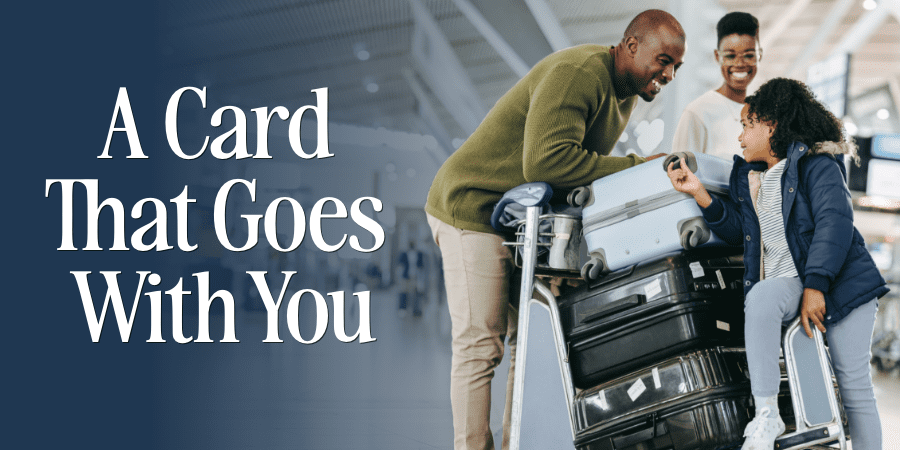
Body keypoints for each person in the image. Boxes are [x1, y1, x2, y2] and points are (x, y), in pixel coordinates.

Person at [425, 9, 685, 450]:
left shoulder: (623, 96)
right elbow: (547, 162)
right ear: (631, 44)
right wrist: (639, 167)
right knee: (481, 344)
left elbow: (573, 177)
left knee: (529, 344)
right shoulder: (580, 72)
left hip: (519, 220)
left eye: (676, 66)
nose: (669, 74)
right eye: (663, 60)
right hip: (472, 206)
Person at [666, 78, 888, 450]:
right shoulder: (751, 178)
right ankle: (766, 416)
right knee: (764, 297)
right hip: (792, 282)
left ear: (771, 125)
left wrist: (816, 286)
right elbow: (739, 232)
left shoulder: (818, 165)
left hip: (844, 285)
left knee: (853, 386)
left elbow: (836, 223)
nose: (740, 137)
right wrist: (699, 193)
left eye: (746, 125)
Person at [672, 12, 761, 160]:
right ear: (717, 57)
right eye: (730, 56)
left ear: (760, 55)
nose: (739, 64)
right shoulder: (698, 113)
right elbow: (679, 174)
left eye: (749, 55)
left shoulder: (765, 113)